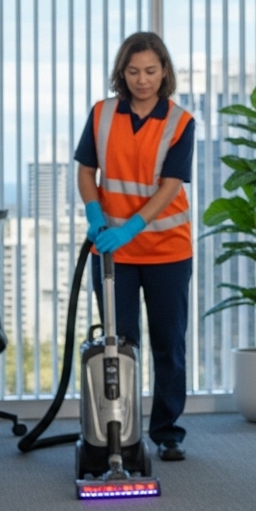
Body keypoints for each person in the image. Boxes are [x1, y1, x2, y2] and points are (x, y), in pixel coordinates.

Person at [75, 31, 196, 462]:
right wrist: (94, 213)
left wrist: (132, 227)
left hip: (167, 250)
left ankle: (168, 432)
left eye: (150, 70)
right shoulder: (102, 114)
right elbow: (87, 171)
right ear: (121, 73)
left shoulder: (180, 122)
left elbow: (169, 188)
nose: (142, 80)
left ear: (164, 71)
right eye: (133, 71)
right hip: (113, 253)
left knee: (168, 343)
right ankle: (120, 432)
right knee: (117, 344)